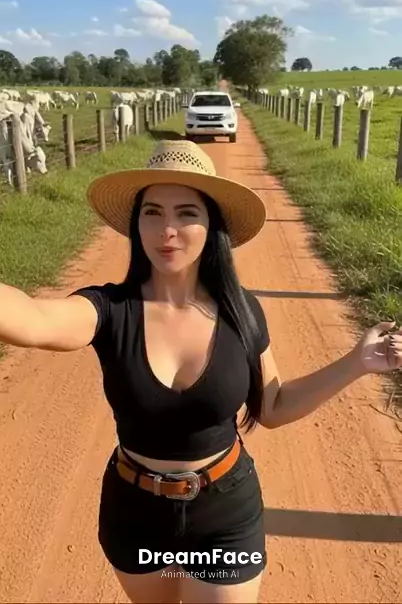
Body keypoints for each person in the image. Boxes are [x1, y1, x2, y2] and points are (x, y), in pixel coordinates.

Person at [1, 138, 401, 604]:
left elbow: (273, 405)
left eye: (186, 213)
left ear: (212, 226)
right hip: (135, 511)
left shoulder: (241, 310)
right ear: (136, 223)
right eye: (152, 212)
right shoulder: (109, 309)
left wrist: (357, 362)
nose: (167, 230)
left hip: (224, 510)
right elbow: (32, 319)